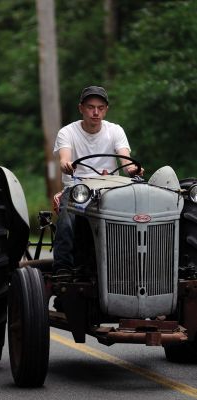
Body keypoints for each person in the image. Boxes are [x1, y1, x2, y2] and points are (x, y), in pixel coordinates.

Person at [53, 85, 143, 277]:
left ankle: (136, 263)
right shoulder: (67, 132)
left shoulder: (115, 131)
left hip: (110, 188)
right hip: (80, 189)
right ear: (81, 109)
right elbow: (64, 159)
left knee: (140, 210)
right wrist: (67, 164)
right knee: (67, 215)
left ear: (106, 110)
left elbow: (126, 161)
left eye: (100, 108)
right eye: (91, 107)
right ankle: (63, 267)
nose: (95, 112)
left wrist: (132, 169)